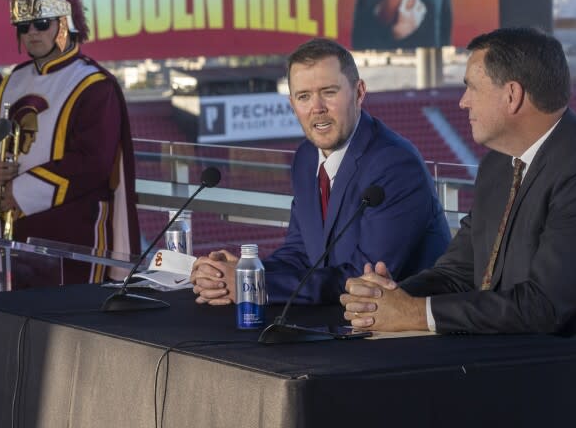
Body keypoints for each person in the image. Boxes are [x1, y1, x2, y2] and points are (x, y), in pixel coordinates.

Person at [340, 27, 576, 341]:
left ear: (512, 95)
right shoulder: (497, 164)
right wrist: (385, 299)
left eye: (472, 88)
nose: (463, 102)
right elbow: (458, 273)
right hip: (501, 359)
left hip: (569, 372)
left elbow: (543, 306)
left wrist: (413, 313)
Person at [191, 38, 450, 305]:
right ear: (292, 104)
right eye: (304, 96)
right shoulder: (305, 158)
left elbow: (364, 279)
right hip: (338, 321)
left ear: (359, 92)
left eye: (328, 92)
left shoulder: (394, 163)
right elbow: (300, 253)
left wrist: (254, 286)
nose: (317, 108)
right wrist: (243, 272)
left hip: (406, 334)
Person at [0, 0, 140, 287]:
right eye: (23, 27)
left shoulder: (95, 84)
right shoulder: (10, 81)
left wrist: (20, 191)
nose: (32, 33)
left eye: (41, 23)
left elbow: (93, 163)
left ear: (63, 22)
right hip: (15, 230)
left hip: (73, 232)